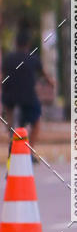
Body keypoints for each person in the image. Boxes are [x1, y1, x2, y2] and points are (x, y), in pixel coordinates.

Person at [2, 28, 54, 160]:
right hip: (28, 97)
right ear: (28, 44)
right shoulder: (33, 58)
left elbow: (2, 77)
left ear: (16, 43)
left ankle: (12, 140)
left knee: (10, 117)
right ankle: (29, 151)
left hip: (9, 97)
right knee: (36, 122)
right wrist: (51, 82)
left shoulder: (8, 58)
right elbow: (45, 75)